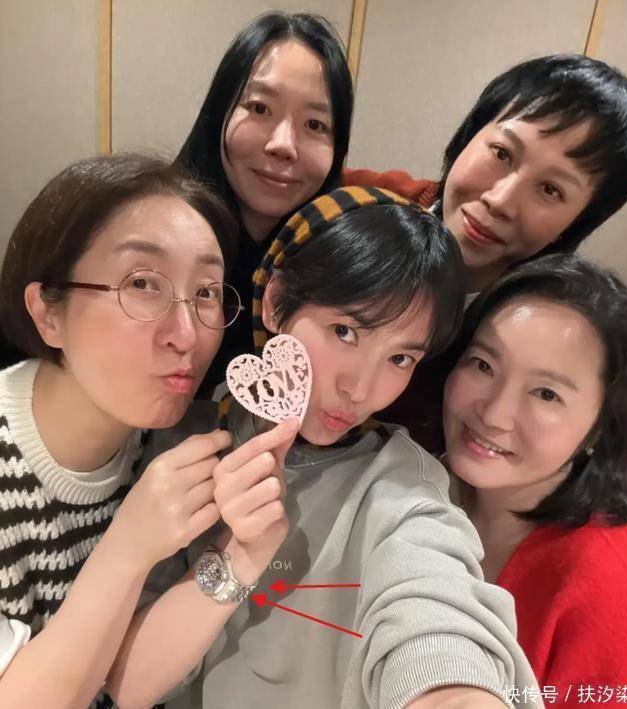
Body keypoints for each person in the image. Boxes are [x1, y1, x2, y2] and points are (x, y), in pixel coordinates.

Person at [108, 187, 541, 709]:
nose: (360, 389)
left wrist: (453, 691)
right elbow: (128, 685)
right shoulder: (185, 435)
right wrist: (238, 556)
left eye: (400, 359)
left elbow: (437, 608)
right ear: (276, 303)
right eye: (345, 331)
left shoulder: (400, 489)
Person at [0, 153, 244, 708]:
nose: (187, 335)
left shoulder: (183, 439)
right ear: (48, 312)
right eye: (143, 283)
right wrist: (130, 545)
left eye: (207, 292)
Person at [344, 53, 627, 445]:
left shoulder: (541, 331)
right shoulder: (356, 205)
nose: (501, 200)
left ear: (578, 221)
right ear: (470, 135)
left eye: (550, 189)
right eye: (502, 153)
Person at [441, 254, 627, 705]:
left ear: (600, 430)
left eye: (546, 394)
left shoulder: (614, 589)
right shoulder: (411, 485)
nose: (494, 414)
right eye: (483, 365)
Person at [178, 11, 353, 395]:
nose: (283, 145)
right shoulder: (159, 232)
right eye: (260, 108)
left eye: (315, 125)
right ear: (219, 112)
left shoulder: (341, 266)